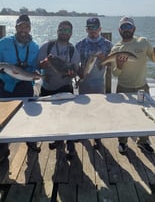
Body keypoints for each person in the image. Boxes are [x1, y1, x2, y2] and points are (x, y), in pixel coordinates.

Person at [111, 16, 155, 154]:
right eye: (123, 27)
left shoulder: (143, 42)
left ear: (134, 28)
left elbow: (153, 59)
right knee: (123, 116)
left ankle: (142, 141)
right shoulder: (116, 48)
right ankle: (122, 142)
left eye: (128, 26)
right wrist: (119, 66)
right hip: (123, 88)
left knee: (145, 115)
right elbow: (115, 73)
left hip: (142, 87)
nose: (126, 29)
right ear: (119, 30)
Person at [0, 14, 40, 163]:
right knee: (3, 119)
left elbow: (37, 68)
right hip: (5, 86)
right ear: (16, 27)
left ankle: (31, 142)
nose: (23, 30)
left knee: (29, 117)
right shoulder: (3, 43)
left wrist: (39, 74)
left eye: (26, 27)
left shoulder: (35, 46)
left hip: (25, 85)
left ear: (30, 28)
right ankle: (3, 149)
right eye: (21, 26)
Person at [37, 20, 80, 157]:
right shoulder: (47, 46)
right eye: (61, 29)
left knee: (69, 117)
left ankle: (70, 143)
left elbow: (75, 70)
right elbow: (37, 66)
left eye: (67, 30)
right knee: (52, 117)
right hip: (47, 88)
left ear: (71, 33)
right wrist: (43, 65)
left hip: (66, 87)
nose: (64, 32)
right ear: (57, 31)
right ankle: (58, 139)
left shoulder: (73, 50)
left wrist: (73, 73)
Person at [76, 17, 112, 148]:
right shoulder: (79, 44)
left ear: (100, 29)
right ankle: (84, 133)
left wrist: (106, 59)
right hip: (84, 83)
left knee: (99, 111)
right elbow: (76, 64)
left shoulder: (108, 44)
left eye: (95, 28)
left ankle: (97, 137)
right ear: (86, 29)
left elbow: (113, 64)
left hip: (98, 84)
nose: (93, 31)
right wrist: (78, 74)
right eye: (90, 28)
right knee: (84, 110)